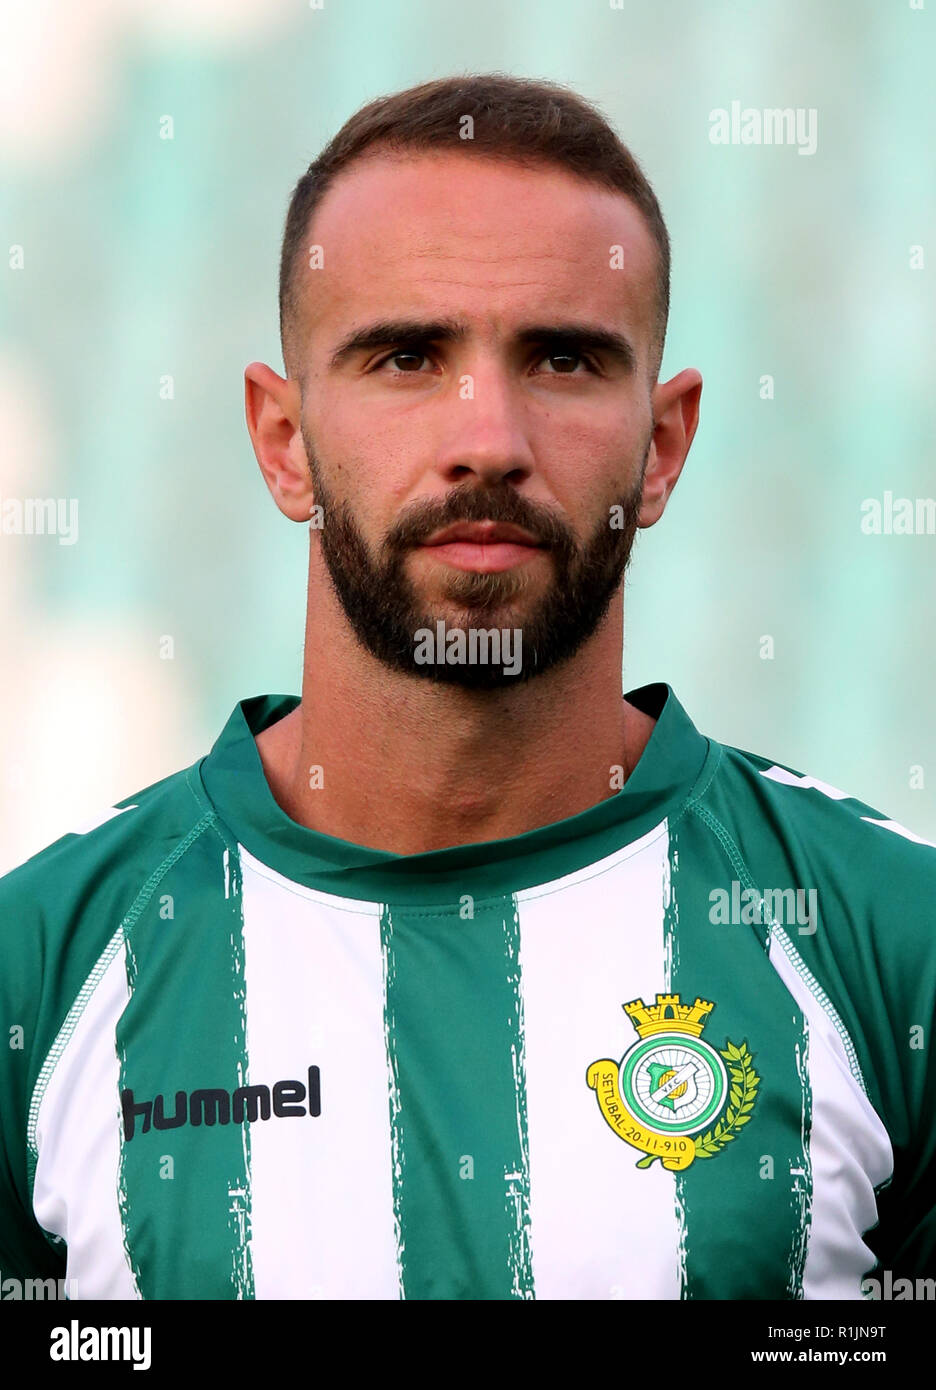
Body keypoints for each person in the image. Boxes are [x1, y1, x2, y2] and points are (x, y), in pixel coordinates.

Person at [1, 73, 933, 1303]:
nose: (488, 438)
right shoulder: (42, 972)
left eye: (562, 358)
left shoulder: (890, 944)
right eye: (406, 356)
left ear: (662, 446)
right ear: (284, 441)